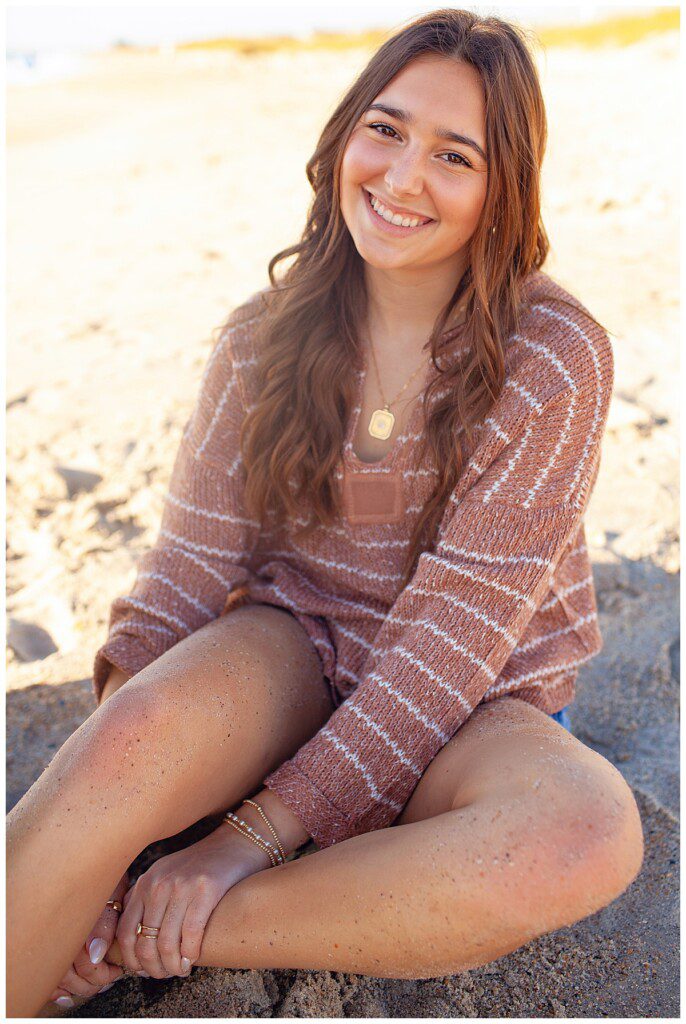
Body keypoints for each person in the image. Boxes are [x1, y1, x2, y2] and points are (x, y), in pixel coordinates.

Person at [7, 9, 644, 1017]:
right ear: (343, 135)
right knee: (134, 730)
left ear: (500, 189)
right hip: (294, 644)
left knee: (584, 833)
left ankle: (154, 929)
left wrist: (228, 847)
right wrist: (128, 792)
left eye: (452, 154)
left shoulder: (552, 358)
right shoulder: (259, 342)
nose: (399, 177)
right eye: (383, 129)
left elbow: (448, 644)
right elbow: (179, 580)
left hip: (477, 698)